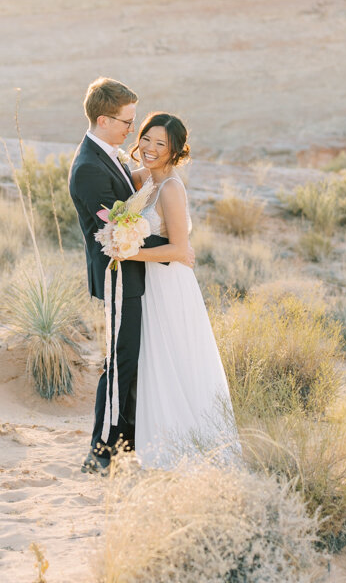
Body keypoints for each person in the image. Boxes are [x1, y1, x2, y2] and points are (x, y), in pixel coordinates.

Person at [67, 79, 193, 475]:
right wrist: (167, 244)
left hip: (143, 278)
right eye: (126, 121)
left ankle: (126, 441)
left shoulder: (112, 156)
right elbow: (119, 229)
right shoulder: (89, 167)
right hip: (120, 276)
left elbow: (139, 201)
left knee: (136, 361)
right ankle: (100, 452)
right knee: (120, 364)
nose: (130, 129)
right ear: (104, 119)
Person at [123, 112, 240, 469]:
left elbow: (179, 250)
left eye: (161, 144)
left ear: (175, 152)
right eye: (147, 139)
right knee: (153, 360)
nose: (150, 148)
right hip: (147, 284)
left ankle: (186, 446)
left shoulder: (171, 189)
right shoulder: (139, 179)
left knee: (175, 358)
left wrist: (127, 251)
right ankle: (153, 438)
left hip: (169, 285)